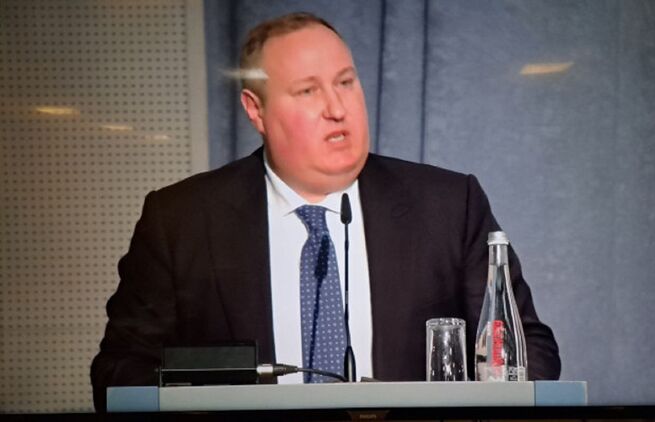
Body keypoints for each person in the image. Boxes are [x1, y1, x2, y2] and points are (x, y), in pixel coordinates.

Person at [90, 12, 560, 411]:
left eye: (345, 83)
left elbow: (528, 353)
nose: (337, 108)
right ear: (256, 110)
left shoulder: (449, 205)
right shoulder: (182, 221)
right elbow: (121, 371)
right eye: (307, 91)